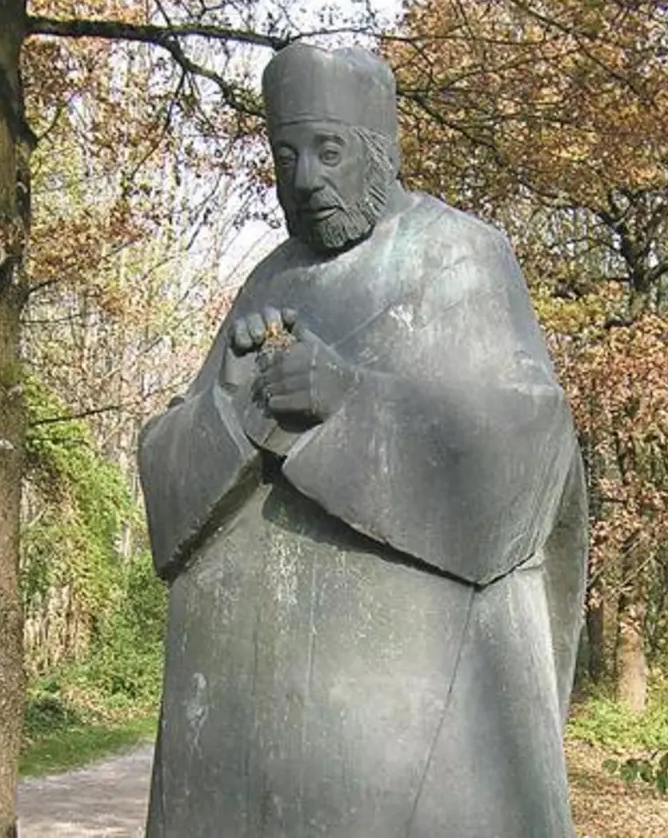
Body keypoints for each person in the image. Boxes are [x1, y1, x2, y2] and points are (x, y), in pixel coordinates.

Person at [137, 43, 588, 837]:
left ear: (381, 152)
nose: (305, 179)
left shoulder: (460, 256)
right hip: (253, 748)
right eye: (286, 156)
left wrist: (346, 403)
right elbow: (169, 490)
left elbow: (524, 455)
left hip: (412, 743)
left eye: (329, 151)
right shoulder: (267, 280)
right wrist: (231, 413)